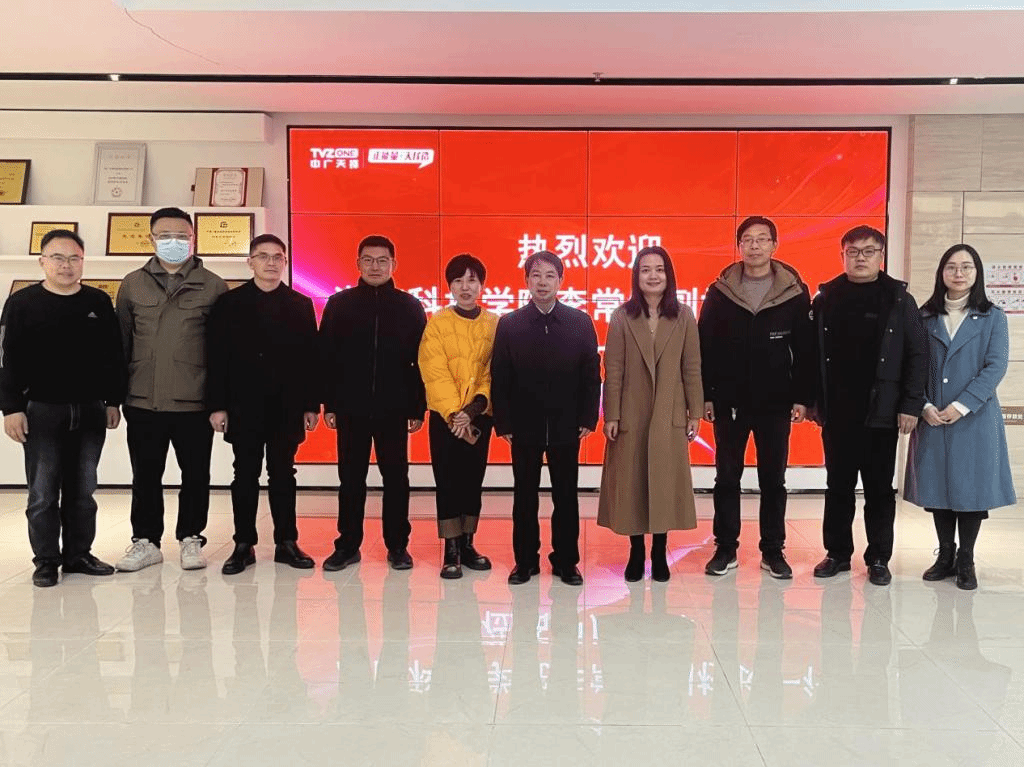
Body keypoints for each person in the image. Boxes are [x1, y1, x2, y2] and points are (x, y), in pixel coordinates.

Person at [0, 230, 125, 587]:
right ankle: (45, 560)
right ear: (42, 261)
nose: (66, 265)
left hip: (90, 409)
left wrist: (112, 400)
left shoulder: (98, 302)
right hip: (41, 410)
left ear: (83, 262)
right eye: (57, 257)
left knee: (83, 490)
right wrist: (11, 408)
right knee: (42, 492)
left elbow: (113, 355)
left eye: (74, 258)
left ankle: (78, 555)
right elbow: (6, 358)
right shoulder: (21, 302)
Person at [810, 225, 927, 586]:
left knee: (878, 490)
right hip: (838, 412)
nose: (860, 258)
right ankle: (837, 553)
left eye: (868, 251)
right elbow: (812, 355)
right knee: (838, 487)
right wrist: (812, 401)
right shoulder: (826, 298)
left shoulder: (899, 299)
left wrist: (911, 404)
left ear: (881, 256)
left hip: (883, 412)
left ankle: (878, 557)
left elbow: (918, 353)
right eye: (853, 251)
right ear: (842, 255)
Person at [698, 216, 815, 579]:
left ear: (774, 245)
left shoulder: (794, 291)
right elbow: (705, 345)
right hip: (729, 400)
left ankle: (773, 551)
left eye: (762, 239)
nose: (754, 246)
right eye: (747, 239)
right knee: (726, 477)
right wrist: (706, 395)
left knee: (773, 480)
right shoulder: (720, 291)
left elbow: (805, 348)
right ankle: (725, 548)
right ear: (739, 246)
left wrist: (802, 397)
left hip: (776, 400)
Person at [114, 207, 227, 572]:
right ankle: (145, 541)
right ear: (151, 239)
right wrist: (113, 398)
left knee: (195, 475)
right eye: (165, 236)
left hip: (194, 400)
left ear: (194, 239)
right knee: (145, 475)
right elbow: (121, 343)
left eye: (182, 236)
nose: (174, 242)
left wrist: (219, 401)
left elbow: (223, 350)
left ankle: (191, 537)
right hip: (142, 399)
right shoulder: (133, 283)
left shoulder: (214, 285)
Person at [206, 234, 320, 575]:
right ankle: (243, 543)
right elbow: (217, 357)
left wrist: (310, 405)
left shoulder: (300, 304)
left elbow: (310, 359)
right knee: (245, 473)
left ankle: (287, 541)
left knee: (283, 473)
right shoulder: (229, 303)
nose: (271, 262)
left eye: (277, 257)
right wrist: (217, 405)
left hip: (287, 406)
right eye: (263, 256)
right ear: (250, 262)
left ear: (285, 262)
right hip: (243, 405)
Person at [905, 244, 1016, 590]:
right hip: (933, 415)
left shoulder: (993, 316)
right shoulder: (924, 316)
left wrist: (963, 404)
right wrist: (924, 406)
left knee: (970, 490)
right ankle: (945, 555)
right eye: (952, 267)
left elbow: (995, 366)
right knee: (938, 487)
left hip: (974, 418)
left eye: (967, 267)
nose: (959, 273)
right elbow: (913, 365)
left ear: (977, 273)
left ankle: (966, 559)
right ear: (941, 272)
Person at [491, 250, 601, 586]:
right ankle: (525, 561)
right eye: (536, 275)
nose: (542, 282)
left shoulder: (579, 322)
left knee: (565, 496)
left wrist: (588, 417)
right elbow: (500, 376)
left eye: (550, 275)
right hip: (524, 426)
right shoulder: (510, 324)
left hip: (567, 425)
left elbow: (591, 374)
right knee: (524, 496)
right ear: (526, 280)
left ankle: (566, 561)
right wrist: (504, 422)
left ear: (561, 281)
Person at [320, 234, 427, 571]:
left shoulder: (410, 306)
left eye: (382, 260)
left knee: (396, 479)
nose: (375, 266)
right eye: (368, 260)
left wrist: (417, 407)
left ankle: (398, 546)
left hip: (394, 409)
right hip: (350, 407)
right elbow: (327, 357)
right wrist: (329, 403)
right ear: (358, 264)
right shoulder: (339, 304)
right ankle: (347, 545)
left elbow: (422, 362)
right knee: (351, 479)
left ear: (394, 264)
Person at [597, 246, 703, 582]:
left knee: (663, 482)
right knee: (632, 483)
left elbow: (692, 367)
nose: (653, 276)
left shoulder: (683, 316)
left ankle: (659, 551)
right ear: (636, 276)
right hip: (632, 411)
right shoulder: (622, 316)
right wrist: (611, 414)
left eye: (659, 269)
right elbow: (613, 369)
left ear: (669, 275)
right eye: (645, 270)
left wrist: (695, 411)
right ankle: (636, 551)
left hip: (670, 410)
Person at [418, 254, 498, 579]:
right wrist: (454, 412)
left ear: (482, 285)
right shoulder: (437, 323)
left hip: (479, 416)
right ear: (450, 286)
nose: (466, 287)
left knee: (472, 480)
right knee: (448, 480)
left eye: (472, 280)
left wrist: (473, 409)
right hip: (446, 419)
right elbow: (433, 370)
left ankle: (468, 544)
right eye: (458, 281)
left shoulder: (495, 324)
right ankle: (450, 549)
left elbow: (494, 370)